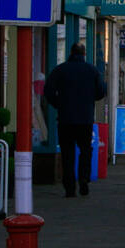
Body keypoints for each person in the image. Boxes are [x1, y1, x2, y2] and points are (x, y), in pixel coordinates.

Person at [44, 42, 107, 198]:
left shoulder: (60, 70)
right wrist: (89, 99)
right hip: (85, 118)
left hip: (66, 119)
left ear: (70, 53)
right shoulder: (92, 70)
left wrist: (59, 104)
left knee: (67, 153)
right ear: (84, 54)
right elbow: (101, 92)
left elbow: (48, 91)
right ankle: (84, 178)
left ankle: (69, 187)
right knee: (85, 149)